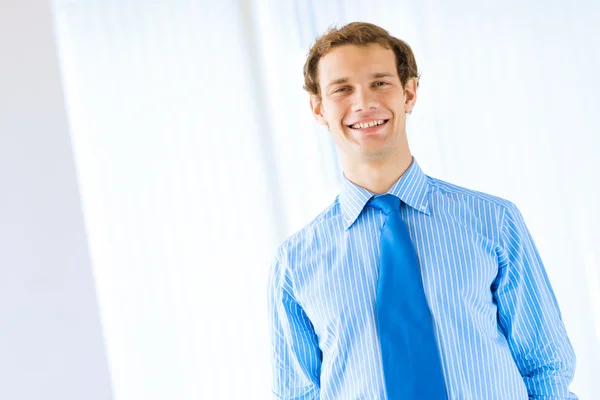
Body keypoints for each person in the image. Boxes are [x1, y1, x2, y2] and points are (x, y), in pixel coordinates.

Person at [267, 21, 577, 400]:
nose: (364, 102)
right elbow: (298, 393)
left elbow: (544, 367)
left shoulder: (494, 221)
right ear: (318, 108)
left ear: (409, 93)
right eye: (342, 89)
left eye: (380, 83)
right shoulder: (296, 262)